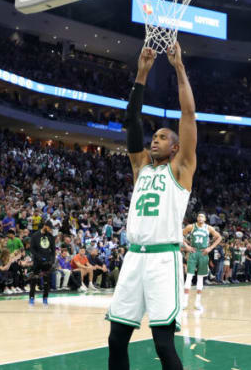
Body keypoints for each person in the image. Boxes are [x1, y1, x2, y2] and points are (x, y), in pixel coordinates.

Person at [107, 42, 196, 370]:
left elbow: (188, 115)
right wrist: (142, 72)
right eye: (153, 136)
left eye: (161, 137)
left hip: (163, 260)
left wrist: (178, 68)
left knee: (162, 344)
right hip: (134, 259)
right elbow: (131, 119)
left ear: (175, 148)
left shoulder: (181, 168)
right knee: (116, 339)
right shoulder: (140, 166)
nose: (154, 139)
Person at [182, 213, 221, 310]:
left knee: (200, 278)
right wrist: (187, 246)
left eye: (202, 216)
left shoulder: (209, 228)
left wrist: (210, 248)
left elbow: (219, 237)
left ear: (205, 219)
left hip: (203, 253)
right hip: (193, 252)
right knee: (189, 277)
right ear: (197, 218)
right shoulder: (191, 226)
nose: (200, 218)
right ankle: (184, 302)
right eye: (199, 216)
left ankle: (197, 303)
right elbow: (179, 235)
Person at [28, 221, 56, 304]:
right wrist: (39, 257)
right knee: (34, 280)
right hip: (37, 261)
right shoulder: (35, 235)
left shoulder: (51, 236)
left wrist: (52, 260)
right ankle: (32, 297)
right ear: (45, 226)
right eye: (49, 228)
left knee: (47, 281)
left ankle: (45, 298)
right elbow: (32, 249)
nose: (50, 230)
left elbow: (53, 250)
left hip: (47, 262)